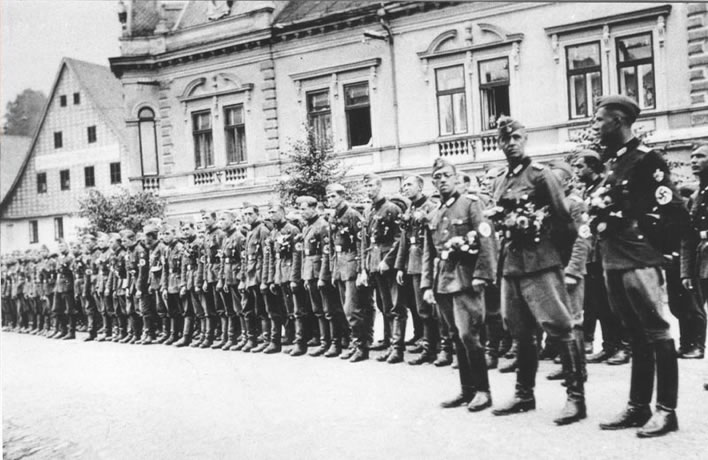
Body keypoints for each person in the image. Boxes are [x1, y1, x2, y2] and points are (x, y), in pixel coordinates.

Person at [591, 95, 683, 438]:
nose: (596, 127)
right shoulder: (612, 162)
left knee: (657, 330)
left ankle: (666, 410)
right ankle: (638, 406)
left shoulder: (647, 159)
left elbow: (669, 207)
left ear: (617, 121)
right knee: (634, 333)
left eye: (600, 120)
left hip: (639, 258)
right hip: (613, 257)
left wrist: (658, 249)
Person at [489, 116, 585, 426]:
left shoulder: (542, 176)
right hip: (512, 266)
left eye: (516, 137)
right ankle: (524, 394)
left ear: (525, 139)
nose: (511, 143)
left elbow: (564, 221)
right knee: (519, 331)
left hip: (541, 264)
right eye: (506, 139)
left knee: (559, 326)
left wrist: (556, 259)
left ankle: (575, 398)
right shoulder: (500, 180)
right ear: (499, 143)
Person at [422, 158, 497, 411]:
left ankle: (483, 391)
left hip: (466, 278)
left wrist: (482, 274)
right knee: (455, 335)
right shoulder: (435, 212)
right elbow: (428, 251)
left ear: (456, 178)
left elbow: (486, 238)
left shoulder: (470, 204)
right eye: (437, 177)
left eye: (446, 175)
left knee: (469, 334)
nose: (441, 180)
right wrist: (426, 285)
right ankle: (467, 390)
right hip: (443, 280)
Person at [573, 151, 630, 365]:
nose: (577, 171)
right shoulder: (588, 190)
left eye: (580, 166)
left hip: (606, 252)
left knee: (614, 302)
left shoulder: (605, 187)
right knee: (600, 304)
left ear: (593, 166)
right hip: (592, 254)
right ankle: (609, 345)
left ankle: (625, 347)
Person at [545, 160, 591, 382]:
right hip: (553, 268)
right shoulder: (552, 204)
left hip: (570, 268)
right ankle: (567, 366)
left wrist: (573, 270)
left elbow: (583, 239)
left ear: (568, 181)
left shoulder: (575, 204)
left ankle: (578, 370)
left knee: (574, 320)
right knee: (559, 320)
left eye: (556, 181)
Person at [360, 173, 407, 364]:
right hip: (374, 263)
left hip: (389, 264)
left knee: (396, 306)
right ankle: (389, 343)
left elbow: (399, 238)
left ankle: (397, 348)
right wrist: (365, 267)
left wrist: (388, 260)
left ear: (380, 186)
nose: (368, 189)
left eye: (371, 185)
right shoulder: (368, 211)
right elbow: (366, 241)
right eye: (366, 186)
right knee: (384, 305)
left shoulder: (392, 209)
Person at [395, 175, 440, 365]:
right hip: (412, 264)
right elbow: (404, 241)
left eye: (409, 184)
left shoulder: (430, 208)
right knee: (421, 308)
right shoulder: (410, 209)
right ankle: (429, 345)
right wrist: (399, 266)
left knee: (430, 309)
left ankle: (435, 347)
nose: (405, 188)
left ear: (420, 186)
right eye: (403, 185)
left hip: (426, 263)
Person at [325, 184, 370, 360]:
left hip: (351, 264)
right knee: (346, 309)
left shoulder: (352, 215)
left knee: (352, 309)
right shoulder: (332, 217)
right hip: (339, 265)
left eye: (333, 196)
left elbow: (361, 243)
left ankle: (361, 346)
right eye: (328, 197)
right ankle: (354, 343)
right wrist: (332, 268)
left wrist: (361, 269)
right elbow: (330, 245)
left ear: (343, 196)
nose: (330, 200)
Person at [680, 144, 708, 362]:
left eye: (700, 156)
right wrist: (686, 272)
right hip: (701, 260)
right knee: (698, 307)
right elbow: (687, 237)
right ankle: (699, 346)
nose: (694, 160)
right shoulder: (696, 195)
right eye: (692, 157)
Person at [239, 205, 271, 352]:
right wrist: (243, 278)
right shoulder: (250, 231)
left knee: (262, 310)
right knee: (249, 308)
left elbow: (266, 257)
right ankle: (251, 339)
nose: (247, 216)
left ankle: (266, 339)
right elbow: (245, 258)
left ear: (257, 214)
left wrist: (264, 279)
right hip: (250, 276)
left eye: (250, 213)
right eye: (245, 214)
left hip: (258, 275)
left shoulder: (263, 230)